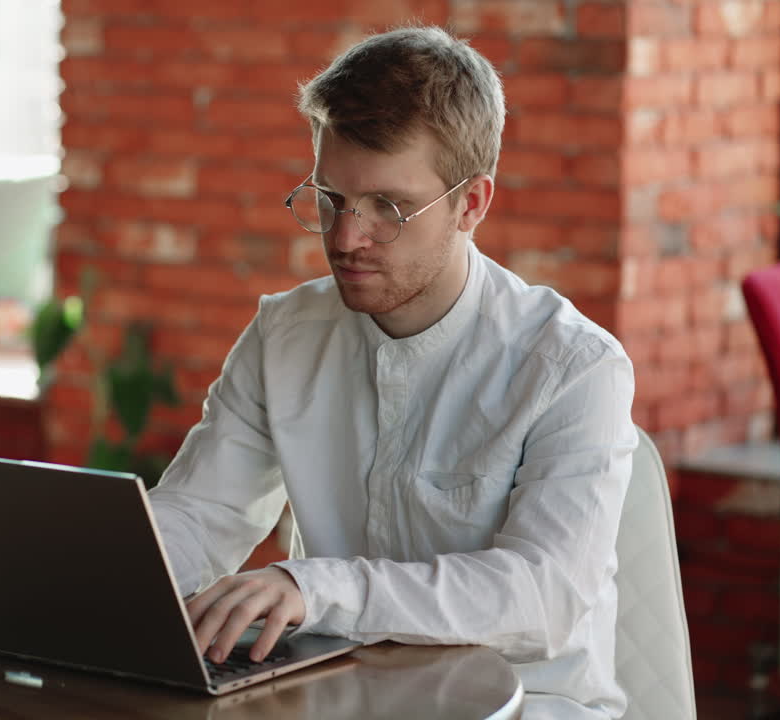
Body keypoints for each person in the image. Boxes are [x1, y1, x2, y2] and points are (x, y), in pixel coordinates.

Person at [146, 25, 637, 720]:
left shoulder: (574, 367)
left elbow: (541, 594)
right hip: (345, 699)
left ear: (472, 204)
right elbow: (203, 514)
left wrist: (318, 589)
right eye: (331, 199)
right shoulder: (284, 335)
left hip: (531, 707)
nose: (347, 238)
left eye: (389, 207)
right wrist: (98, 574)